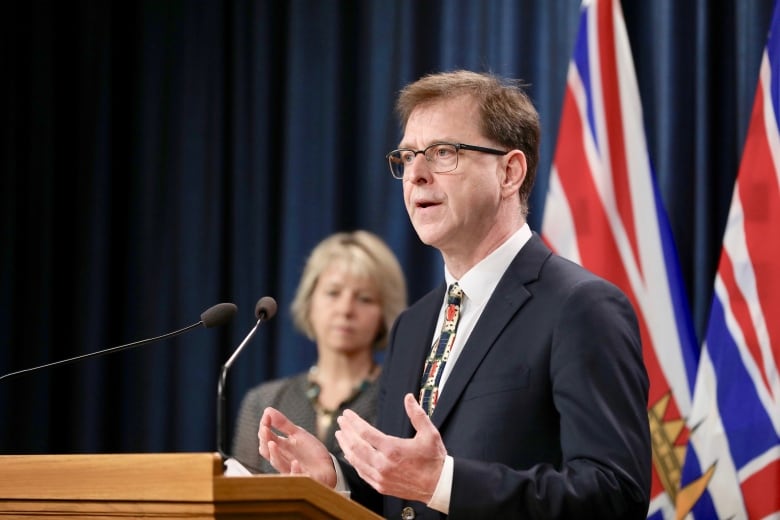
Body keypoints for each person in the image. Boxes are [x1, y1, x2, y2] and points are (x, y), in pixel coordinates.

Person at [257, 70, 651, 518]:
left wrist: (444, 482)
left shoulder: (580, 307)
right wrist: (336, 480)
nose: (416, 175)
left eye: (443, 153)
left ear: (509, 172)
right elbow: (406, 498)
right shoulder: (413, 324)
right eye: (406, 157)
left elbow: (616, 494)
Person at [231, 230, 407, 474]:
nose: (346, 309)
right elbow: (241, 498)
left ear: (384, 314)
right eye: (333, 293)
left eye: (364, 298)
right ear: (309, 302)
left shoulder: (401, 400)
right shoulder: (264, 401)